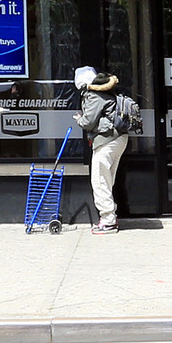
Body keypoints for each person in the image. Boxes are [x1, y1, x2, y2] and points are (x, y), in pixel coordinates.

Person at [73, 70, 131, 235]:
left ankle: (108, 221)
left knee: (99, 180)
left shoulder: (93, 95)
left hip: (107, 140)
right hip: (118, 139)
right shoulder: (106, 91)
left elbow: (89, 121)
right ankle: (111, 215)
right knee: (107, 179)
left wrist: (79, 120)